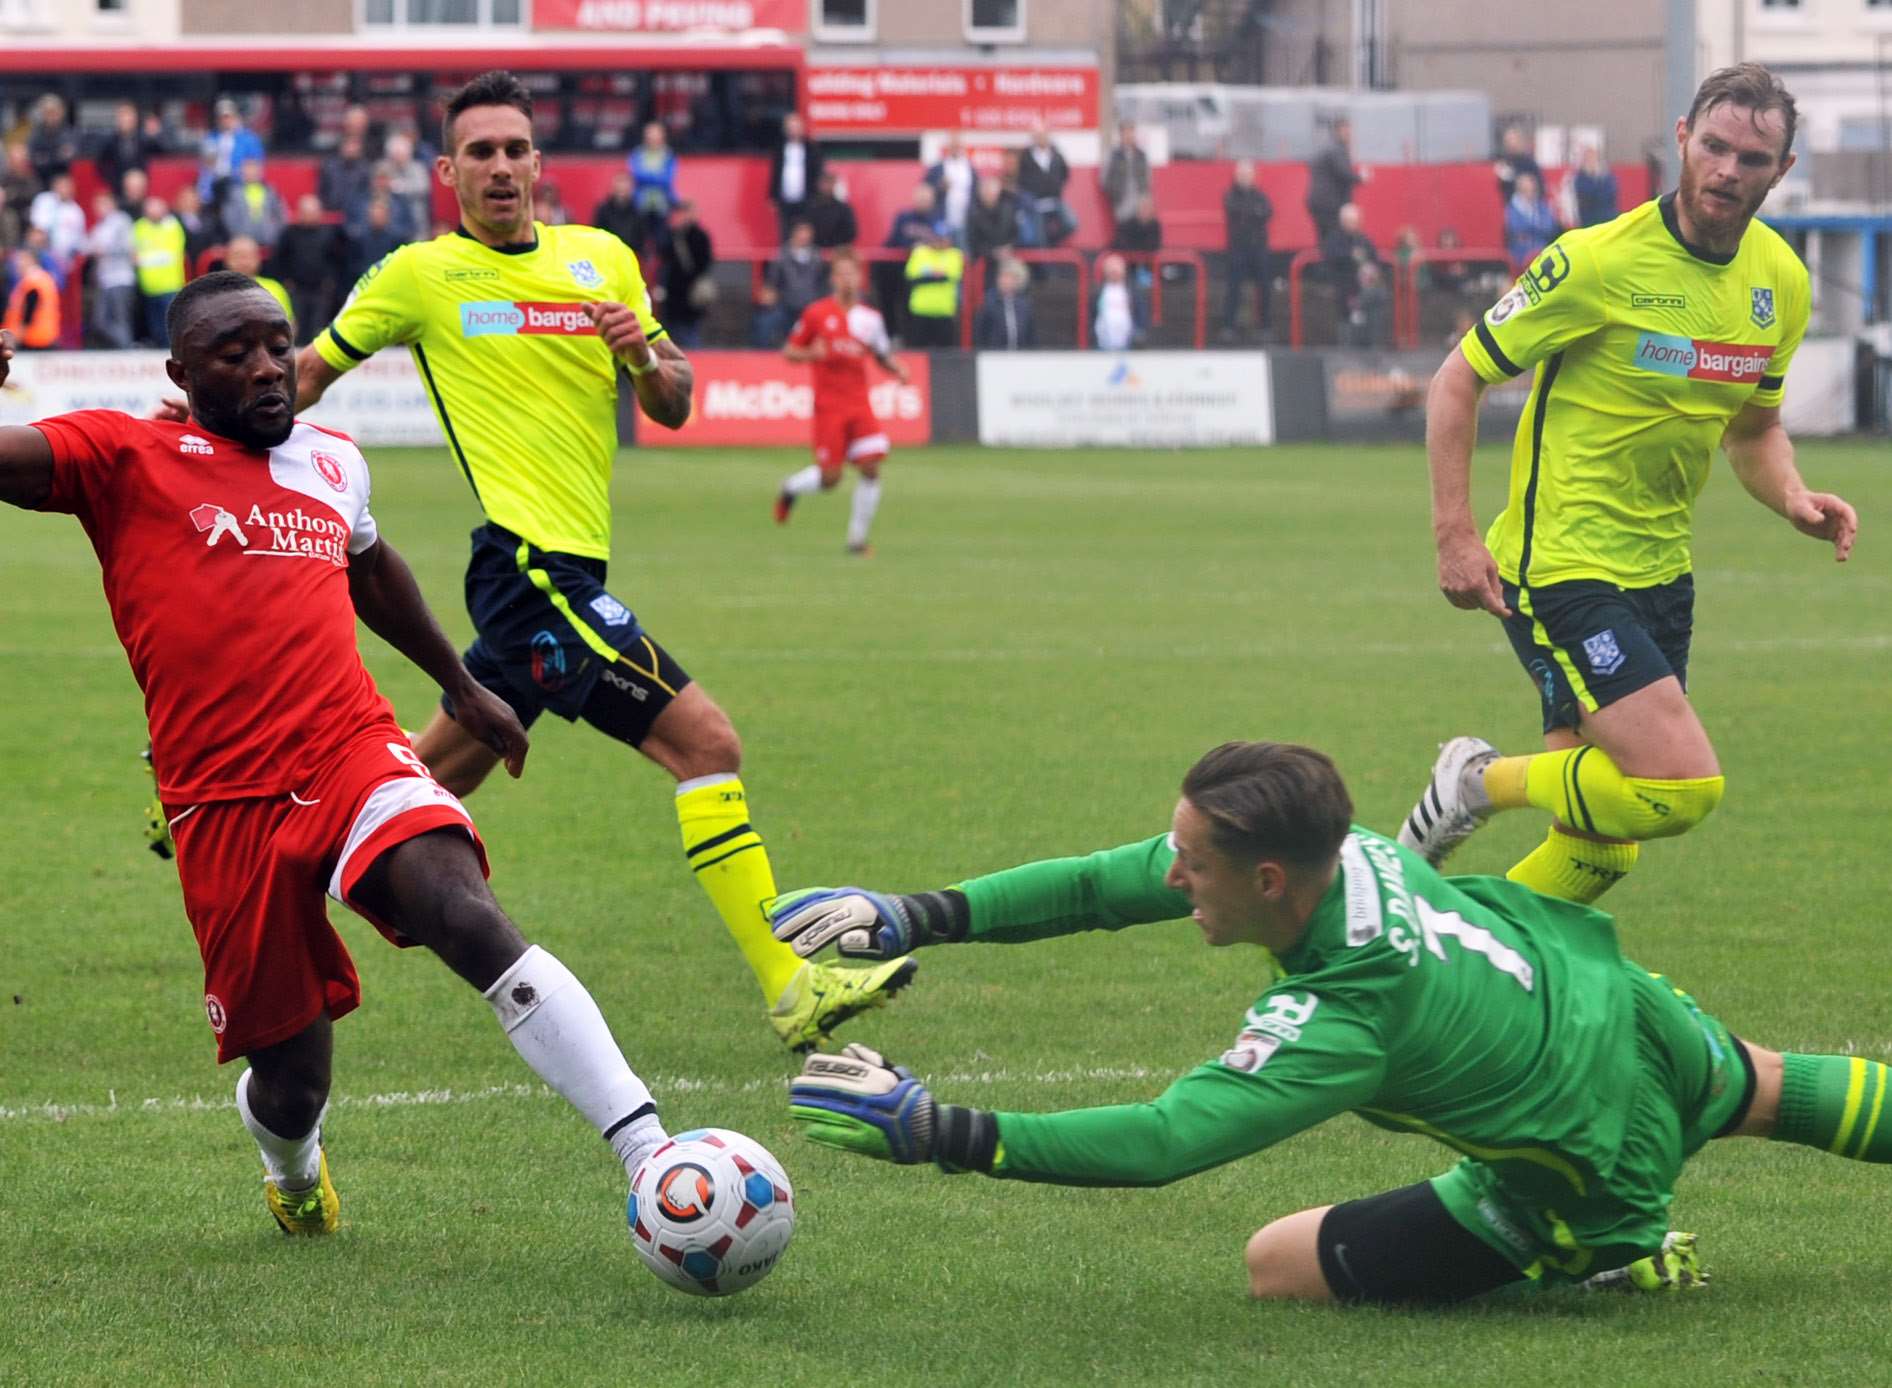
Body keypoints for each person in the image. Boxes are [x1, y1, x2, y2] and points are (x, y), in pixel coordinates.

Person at [0, 286, 674, 1236]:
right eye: (234, 353)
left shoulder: (333, 460)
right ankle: (294, 1165)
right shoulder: (124, 455)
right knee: (291, 1078)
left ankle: (653, 1156)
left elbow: (370, 567)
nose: (269, 367)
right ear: (181, 377)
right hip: (220, 799)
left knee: (462, 909)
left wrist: (460, 684)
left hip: (348, 746)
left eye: (278, 345)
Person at [777, 739, 1892, 1304]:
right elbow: (1097, 884)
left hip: (1585, 1164)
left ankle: (1616, 1251)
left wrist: (940, 1130)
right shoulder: (1340, 845)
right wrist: (909, 912)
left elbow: (1168, 1139)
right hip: (1622, 1005)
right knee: (1768, 1085)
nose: (1172, 871)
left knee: (1274, 1263)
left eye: (1193, 862)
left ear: (1267, 878)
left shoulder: (1340, 1016)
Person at [281, 69, 914, 1050]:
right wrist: (197, 422)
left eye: (513, 149)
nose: (498, 166)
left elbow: (673, 398)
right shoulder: (418, 275)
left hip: (569, 573)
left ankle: (274, 859)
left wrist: (647, 353)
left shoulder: (602, 260)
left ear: (538, 162)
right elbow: (305, 376)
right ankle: (792, 984)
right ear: (448, 172)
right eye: (478, 152)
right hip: (529, 571)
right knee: (705, 743)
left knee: (420, 781)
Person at [1396, 63, 1857, 907]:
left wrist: (1792, 495)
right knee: (1680, 787)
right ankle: (1476, 784)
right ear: (1682, 139)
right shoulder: (1594, 263)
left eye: (1750, 159)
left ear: (1780, 171)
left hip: (1661, 572)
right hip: (1562, 564)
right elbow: (1456, 380)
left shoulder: (1779, 281)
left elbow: (1754, 429)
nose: (1726, 170)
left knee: (1601, 849)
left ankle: (1451, 962)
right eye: (1713, 147)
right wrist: (1454, 535)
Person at [774, 248, 909, 555]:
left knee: (872, 467)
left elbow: (881, 354)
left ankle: (856, 541)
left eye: (853, 273)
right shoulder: (816, 314)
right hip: (829, 407)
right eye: (843, 273)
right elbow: (789, 352)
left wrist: (897, 369)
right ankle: (790, 488)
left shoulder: (870, 319)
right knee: (830, 479)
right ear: (834, 278)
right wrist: (812, 354)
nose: (848, 279)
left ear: (860, 278)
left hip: (860, 404)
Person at [274, 195, 341, 345]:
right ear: (299, 213)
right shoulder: (289, 234)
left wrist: (330, 281)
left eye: (313, 212)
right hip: (296, 289)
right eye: (307, 212)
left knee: (318, 327)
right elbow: (280, 259)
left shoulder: (329, 234)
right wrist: (286, 281)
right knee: (297, 327)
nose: (310, 216)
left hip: (321, 290)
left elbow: (337, 260)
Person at [1221, 159, 1273, 341]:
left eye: (1248, 174)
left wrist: (1249, 214)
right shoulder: (1230, 195)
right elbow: (1235, 211)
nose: (1245, 178)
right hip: (1238, 249)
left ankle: (1265, 326)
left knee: (1265, 287)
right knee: (1234, 288)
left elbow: (1267, 212)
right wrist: (1253, 213)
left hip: (1258, 248)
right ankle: (1228, 326)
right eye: (1242, 174)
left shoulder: (1261, 196)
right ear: (1236, 176)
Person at [879, 184, 939, 341]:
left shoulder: (936, 220)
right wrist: (912, 247)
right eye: (921, 198)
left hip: (923, 271)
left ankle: (910, 338)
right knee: (891, 300)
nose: (923, 202)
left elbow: (941, 241)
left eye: (926, 199)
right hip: (898, 267)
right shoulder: (904, 217)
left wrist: (924, 248)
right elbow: (895, 238)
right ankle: (892, 334)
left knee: (913, 307)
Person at [655, 199, 714, 349]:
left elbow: (705, 262)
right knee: (675, 331)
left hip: (692, 292)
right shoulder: (673, 234)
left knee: (690, 332)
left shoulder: (701, 236)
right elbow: (663, 254)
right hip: (674, 291)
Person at [132, 195, 187, 348]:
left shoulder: (172, 226)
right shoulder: (139, 227)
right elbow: (133, 255)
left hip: (170, 286)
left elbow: (170, 255)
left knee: (170, 328)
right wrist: (148, 258)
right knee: (155, 328)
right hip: (148, 287)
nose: (154, 212)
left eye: (157, 208)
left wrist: (145, 259)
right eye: (150, 208)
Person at [84, 191, 137, 350]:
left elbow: (128, 247)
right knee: (100, 321)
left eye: (102, 204)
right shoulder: (100, 226)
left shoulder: (121, 221)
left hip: (121, 278)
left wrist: (106, 250)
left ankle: (127, 349)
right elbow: (88, 246)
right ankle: (124, 346)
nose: (98, 209)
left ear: (111, 204)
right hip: (105, 279)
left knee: (120, 319)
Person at [902, 220, 964, 349]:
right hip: (920, 311)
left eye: (944, 238)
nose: (940, 241)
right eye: (937, 237)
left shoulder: (955, 255)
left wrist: (926, 276)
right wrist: (937, 275)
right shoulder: (919, 252)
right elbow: (912, 278)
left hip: (944, 312)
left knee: (946, 356)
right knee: (917, 353)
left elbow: (949, 277)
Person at [1015, 124, 1074, 248]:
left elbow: (1065, 173)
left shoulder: (1056, 154)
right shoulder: (1026, 156)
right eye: (1037, 136)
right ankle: (1046, 263)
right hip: (1036, 203)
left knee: (1071, 224)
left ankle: (1053, 241)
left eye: (1043, 135)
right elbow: (1021, 179)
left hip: (1055, 199)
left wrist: (1056, 187)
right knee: (1040, 239)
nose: (1041, 138)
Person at [768, 112, 822, 243]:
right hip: (784, 198)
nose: (794, 130)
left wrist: (815, 194)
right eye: (791, 127)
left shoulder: (811, 148)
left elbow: (817, 172)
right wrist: (772, 195)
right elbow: (775, 173)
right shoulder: (780, 148)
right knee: (784, 232)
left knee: (804, 229)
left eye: (796, 127)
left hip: (806, 198)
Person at [200, 98, 266, 204]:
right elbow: (207, 166)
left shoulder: (248, 138)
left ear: (235, 117)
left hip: (238, 182)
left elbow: (255, 165)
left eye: (228, 117)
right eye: (222, 118)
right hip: (216, 182)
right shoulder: (211, 138)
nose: (225, 121)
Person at [1305, 118, 1360, 246]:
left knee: (1326, 237)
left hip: (1322, 202)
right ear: (1338, 131)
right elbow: (1344, 173)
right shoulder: (1337, 150)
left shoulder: (1327, 149)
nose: (1349, 134)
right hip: (1329, 204)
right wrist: (1361, 178)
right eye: (1346, 130)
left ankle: (1327, 259)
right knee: (1333, 237)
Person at [93, 101, 162, 198]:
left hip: (144, 190)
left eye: (128, 115)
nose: (125, 119)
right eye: (122, 115)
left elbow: (163, 154)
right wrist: (117, 181)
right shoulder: (110, 142)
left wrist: (155, 136)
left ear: (135, 118)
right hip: (119, 192)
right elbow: (101, 165)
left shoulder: (145, 139)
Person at [221, 235, 293, 327]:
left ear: (258, 259)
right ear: (226, 260)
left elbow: (289, 325)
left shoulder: (274, 288)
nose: (243, 262)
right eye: (237, 256)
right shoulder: (214, 291)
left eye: (248, 256)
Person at [628, 121, 678, 250]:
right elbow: (636, 175)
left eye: (656, 135)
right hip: (641, 205)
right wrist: (657, 176)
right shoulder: (637, 153)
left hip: (662, 205)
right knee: (639, 241)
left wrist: (648, 176)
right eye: (650, 135)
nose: (653, 138)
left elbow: (667, 179)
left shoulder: (668, 155)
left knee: (662, 242)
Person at [377, 133, 432, 245]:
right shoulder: (385, 167)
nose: (398, 157)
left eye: (401, 154)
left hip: (416, 217)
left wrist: (398, 186)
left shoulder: (418, 168)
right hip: (393, 219)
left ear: (408, 153)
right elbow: (378, 186)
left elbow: (423, 188)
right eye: (395, 154)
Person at [220, 158, 288, 249]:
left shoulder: (271, 191)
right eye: (248, 171)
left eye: (254, 170)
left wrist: (274, 233)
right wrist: (239, 236)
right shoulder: (233, 193)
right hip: (243, 241)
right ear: (242, 173)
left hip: (269, 240)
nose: (251, 173)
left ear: (260, 172)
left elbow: (281, 213)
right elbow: (228, 218)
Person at [27, 171, 85, 277]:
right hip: (40, 251)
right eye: (61, 186)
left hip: (62, 259)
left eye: (67, 186)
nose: (64, 189)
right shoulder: (44, 200)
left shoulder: (76, 212)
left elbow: (78, 241)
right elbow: (37, 228)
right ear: (55, 186)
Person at [768, 219, 827, 322]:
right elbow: (773, 280)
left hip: (812, 305)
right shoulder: (781, 255)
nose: (804, 235)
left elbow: (822, 282)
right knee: (767, 320)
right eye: (801, 231)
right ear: (793, 233)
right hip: (786, 306)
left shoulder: (817, 256)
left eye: (807, 232)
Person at [1502, 171, 1559, 275]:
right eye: (1526, 190)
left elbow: (1550, 227)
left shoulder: (1541, 206)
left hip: (1542, 247)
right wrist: (1538, 228)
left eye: (1532, 189)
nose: (1530, 192)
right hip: (1521, 251)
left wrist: (1530, 230)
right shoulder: (1512, 208)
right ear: (1520, 190)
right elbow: (1516, 229)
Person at [1101, 121, 1152, 237]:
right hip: (1121, 200)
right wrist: (1115, 194)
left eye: (1131, 132)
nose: (1129, 136)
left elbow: (1148, 179)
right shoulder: (1114, 155)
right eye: (1126, 132)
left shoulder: (1141, 155)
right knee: (1125, 230)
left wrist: (1145, 199)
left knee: (1142, 231)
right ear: (1121, 134)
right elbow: (1104, 180)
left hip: (1140, 200)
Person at [925, 133, 976, 245]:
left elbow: (976, 193)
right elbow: (925, 191)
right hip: (942, 220)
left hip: (965, 221)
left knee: (963, 254)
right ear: (948, 147)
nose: (956, 149)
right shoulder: (937, 168)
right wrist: (940, 187)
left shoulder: (971, 169)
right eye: (953, 145)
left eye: (958, 145)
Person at [966, 175, 1018, 284]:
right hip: (985, 263)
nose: (990, 195)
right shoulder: (974, 214)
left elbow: (1016, 233)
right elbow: (973, 242)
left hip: (1008, 258)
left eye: (992, 192)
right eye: (986, 191)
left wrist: (1009, 247)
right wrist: (992, 253)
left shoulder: (1008, 209)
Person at [973, 258, 1034, 351]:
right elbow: (980, 332)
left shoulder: (1024, 305)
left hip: (1021, 356)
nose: (1005, 281)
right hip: (995, 355)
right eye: (1003, 276)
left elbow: (1030, 334)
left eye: (1010, 277)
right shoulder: (989, 302)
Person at [1, 250, 59, 349]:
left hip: (33, 338)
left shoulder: (33, 280)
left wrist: (20, 333)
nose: (17, 263)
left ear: (30, 260)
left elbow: (30, 308)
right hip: (40, 336)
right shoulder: (39, 278)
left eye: (21, 259)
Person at [320, 133, 375, 231]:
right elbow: (322, 190)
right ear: (342, 147)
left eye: (354, 146)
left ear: (360, 149)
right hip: (331, 209)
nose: (351, 149)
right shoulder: (329, 166)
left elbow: (367, 194)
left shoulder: (365, 169)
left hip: (356, 214)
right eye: (348, 145)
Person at [1093, 252, 1139, 352]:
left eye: (1117, 267)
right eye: (1111, 268)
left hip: (1128, 345)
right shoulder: (1098, 292)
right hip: (1102, 345)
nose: (1114, 271)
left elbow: (1140, 313)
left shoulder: (1132, 292)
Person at [805, 169, 858, 250]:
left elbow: (851, 232)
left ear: (835, 185)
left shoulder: (844, 208)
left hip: (837, 252)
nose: (827, 187)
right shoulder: (810, 207)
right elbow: (804, 229)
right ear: (818, 185)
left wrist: (837, 245)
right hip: (813, 253)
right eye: (824, 183)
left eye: (830, 183)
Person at [1493, 123, 1542, 208]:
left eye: (1513, 139)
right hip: (1513, 206)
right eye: (1508, 141)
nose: (1511, 144)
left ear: (1520, 141)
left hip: (1532, 206)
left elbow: (1540, 185)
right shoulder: (1505, 163)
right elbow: (1503, 188)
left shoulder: (1529, 163)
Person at [593, 171, 643, 251]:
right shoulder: (603, 210)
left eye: (625, 188)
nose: (622, 190)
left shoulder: (638, 211)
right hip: (608, 251)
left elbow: (641, 237)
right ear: (613, 188)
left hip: (631, 253)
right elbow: (597, 233)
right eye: (619, 188)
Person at [1574, 145, 1621, 228]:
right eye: (1588, 158)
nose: (1591, 160)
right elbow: (1585, 195)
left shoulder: (1607, 175)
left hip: (1607, 217)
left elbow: (1611, 193)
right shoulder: (1580, 177)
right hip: (1589, 219)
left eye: (1593, 157)